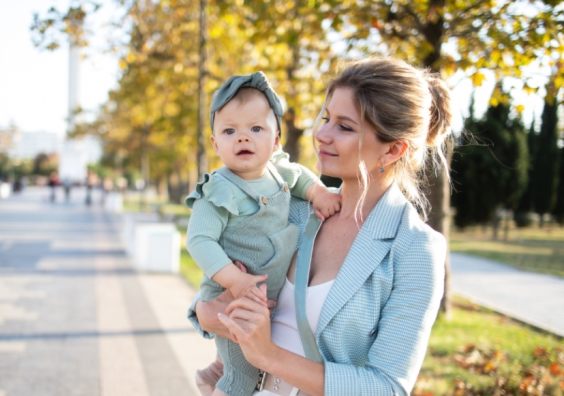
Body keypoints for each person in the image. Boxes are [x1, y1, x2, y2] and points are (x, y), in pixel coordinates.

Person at [189, 57, 453, 396]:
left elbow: (387, 387)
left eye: (345, 127)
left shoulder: (415, 248)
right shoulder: (293, 206)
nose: (322, 135)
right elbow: (214, 291)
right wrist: (207, 310)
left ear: (392, 150)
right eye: (326, 118)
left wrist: (269, 356)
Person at [185, 71, 341, 396]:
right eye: (230, 131)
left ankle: (212, 372)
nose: (243, 138)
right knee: (241, 375)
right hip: (235, 296)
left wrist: (319, 193)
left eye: (256, 128)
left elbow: (299, 178)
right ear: (215, 143)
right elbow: (199, 241)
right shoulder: (219, 190)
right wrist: (234, 281)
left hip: (266, 298)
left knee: (247, 363)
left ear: (276, 139)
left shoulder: (277, 169)